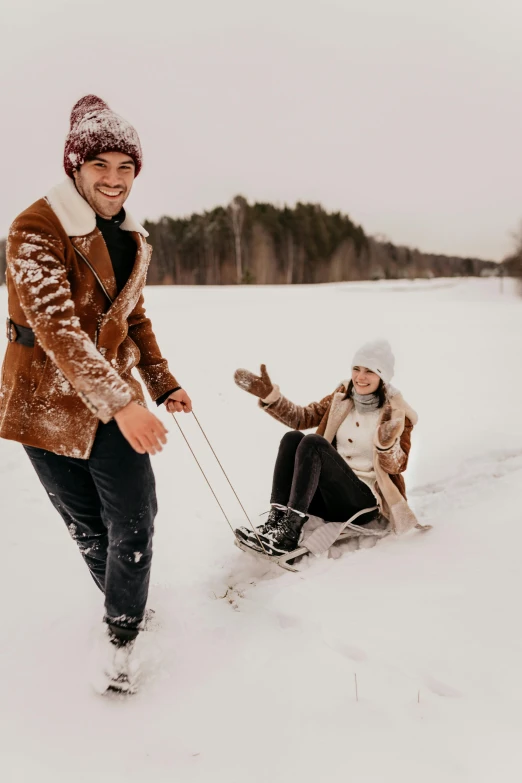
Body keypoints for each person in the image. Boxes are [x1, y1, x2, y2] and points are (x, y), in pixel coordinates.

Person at [0, 95, 192, 691]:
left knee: (134, 520)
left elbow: (133, 317)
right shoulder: (35, 227)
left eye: (125, 168)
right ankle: (119, 601)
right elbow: (56, 328)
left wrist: (160, 382)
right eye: (100, 167)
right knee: (89, 527)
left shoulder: (134, 238)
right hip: (45, 402)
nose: (113, 180)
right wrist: (125, 402)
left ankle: (124, 632)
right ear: (74, 168)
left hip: (114, 397)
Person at [233, 339, 420, 555]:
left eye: (369, 371)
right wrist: (270, 397)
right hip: (328, 495)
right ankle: (276, 521)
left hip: (362, 502)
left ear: (382, 376)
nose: (360, 377)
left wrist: (386, 445)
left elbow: (399, 465)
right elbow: (303, 418)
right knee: (292, 437)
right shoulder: (341, 396)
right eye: (356, 369)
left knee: (314, 443)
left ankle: (290, 532)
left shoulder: (396, 414)